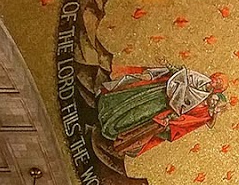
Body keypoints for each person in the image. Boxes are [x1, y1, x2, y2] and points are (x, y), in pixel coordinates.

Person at [96, 64, 225, 158]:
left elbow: (186, 113)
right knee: (133, 103)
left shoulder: (202, 101)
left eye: (220, 83)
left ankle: (112, 128)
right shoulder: (200, 79)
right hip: (160, 94)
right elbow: (182, 75)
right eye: (219, 79)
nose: (217, 82)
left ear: (218, 90)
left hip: (162, 108)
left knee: (138, 117)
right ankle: (108, 111)